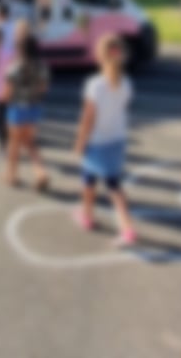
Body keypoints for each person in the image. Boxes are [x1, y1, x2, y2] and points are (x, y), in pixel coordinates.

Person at [73, 34, 136, 247]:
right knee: (101, 181)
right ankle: (88, 215)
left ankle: (124, 227)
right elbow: (122, 108)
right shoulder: (126, 83)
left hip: (97, 141)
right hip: (116, 139)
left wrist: (80, 142)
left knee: (99, 183)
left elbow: (87, 118)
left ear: (99, 56)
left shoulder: (95, 85)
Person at [4, 34, 50, 190]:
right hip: (34, 108)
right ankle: (41, 172)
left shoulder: (14, 67)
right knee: (30, 143)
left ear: (20, 49)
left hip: (17, 109)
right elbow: (44, 88)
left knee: (14, 144)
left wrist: (6, 100)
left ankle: (12, 175)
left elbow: (8, 92)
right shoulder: (42, 66)